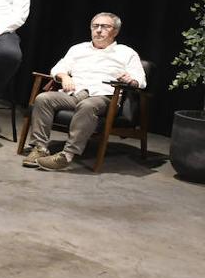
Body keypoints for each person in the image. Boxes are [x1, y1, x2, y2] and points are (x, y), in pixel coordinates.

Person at [22, 13, 145, 171]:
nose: (98, 30)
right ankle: (39, 148)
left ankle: (67, 155)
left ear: (115, 31)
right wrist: (64, 76)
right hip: (75, 93)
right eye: (95, 26)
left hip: (104, 96)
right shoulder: (78, 49)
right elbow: (58, 68)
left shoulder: (126, 53)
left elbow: (140, 80)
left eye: (105, 27)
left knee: (87, 105)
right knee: (43, 98)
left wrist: (130, 80)